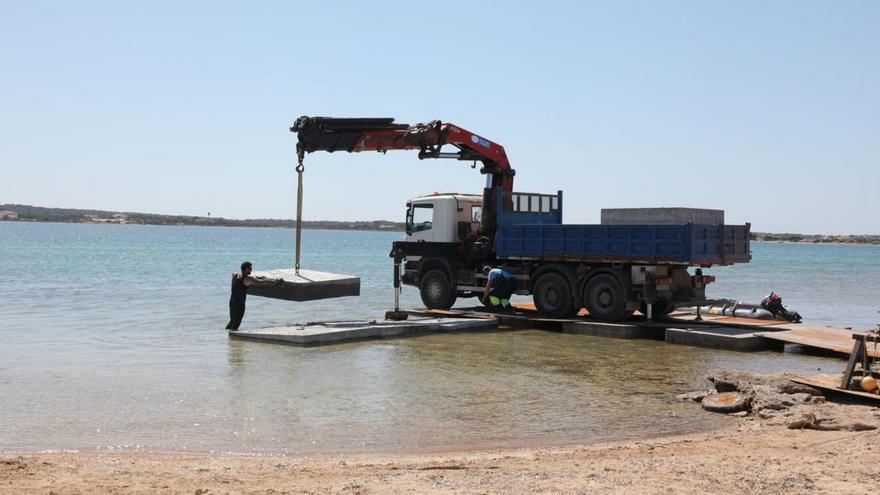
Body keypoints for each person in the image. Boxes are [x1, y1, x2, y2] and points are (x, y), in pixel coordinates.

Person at [226, 261, 255, 331]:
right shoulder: (246, 279)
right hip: (239, 305)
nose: (251, 270)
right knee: (236, 324)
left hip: (232, 302)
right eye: (250, 268)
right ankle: (233, 339)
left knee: (231, 321)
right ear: (246, 269)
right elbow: (259, 283)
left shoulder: (235, 276)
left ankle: (226, 336)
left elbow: (237, 273)